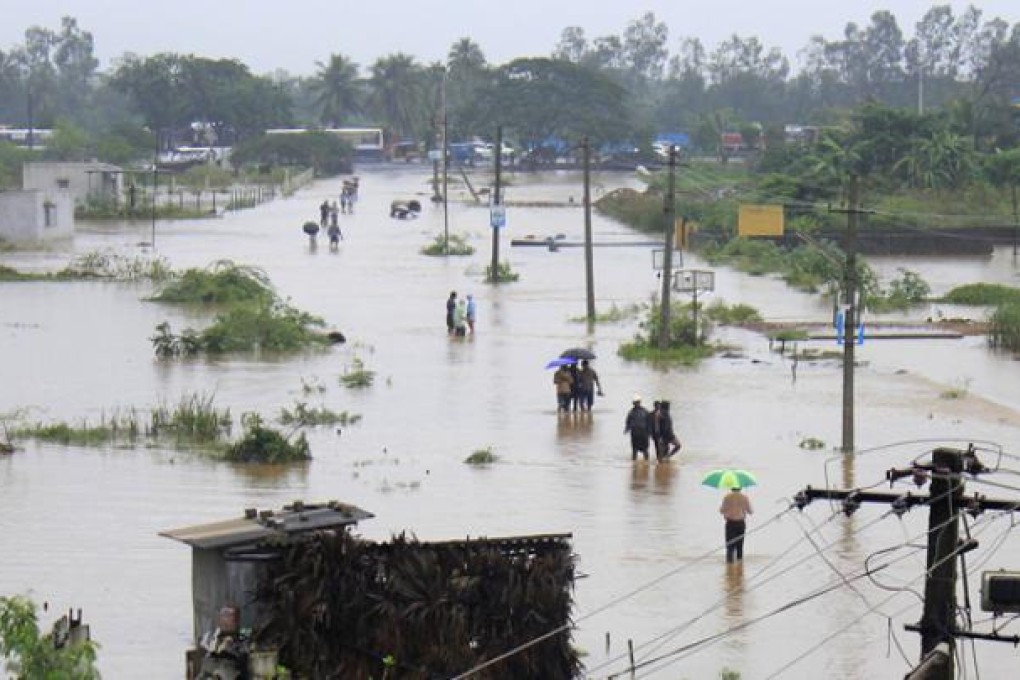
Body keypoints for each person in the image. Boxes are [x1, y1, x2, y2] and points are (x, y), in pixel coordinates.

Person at [720, 486, 753, 563]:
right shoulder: (744, 497)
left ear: (731, 488)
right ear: (740, 488)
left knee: (730, 546)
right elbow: (750, 511)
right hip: (740, 523)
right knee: (740, 546)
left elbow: (722, 510)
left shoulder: (727, 497)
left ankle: (729, 565)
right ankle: (739, 565)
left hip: (730, 523)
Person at [624, 395, 651, 461]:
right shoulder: (631, 412)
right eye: (635, 402)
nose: (636, 404)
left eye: (637, 402)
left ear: (640, 402)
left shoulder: (645, 411)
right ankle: (635, 465)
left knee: (645, 450)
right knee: (634, 450)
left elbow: (650, 422)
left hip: (643, 434)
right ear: (633, 403)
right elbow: (628, 422)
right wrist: (627, 429)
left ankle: (646, 463)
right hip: (635, 434)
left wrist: (650, 432)